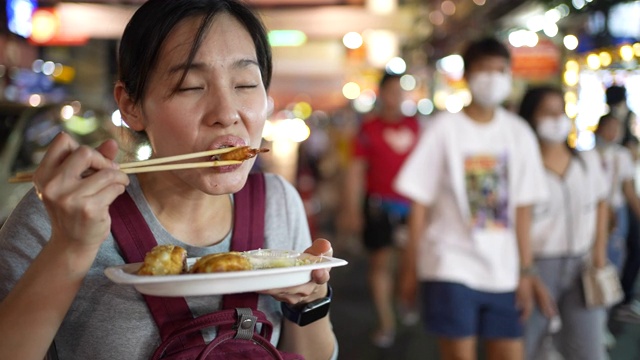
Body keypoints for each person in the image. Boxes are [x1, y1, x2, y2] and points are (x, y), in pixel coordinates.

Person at [0, 1, 338, 359]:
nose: (226, 114)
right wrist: (69, 247)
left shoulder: (278, 203)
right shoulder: (58, 216)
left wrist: (312, 299)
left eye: (245, 83)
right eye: (190, 87)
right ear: (131, 106)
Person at [393, 37, 548, 360]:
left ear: (509, 75)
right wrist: (410, 267)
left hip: (503, 271)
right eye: (484, 70)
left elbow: (522, 210)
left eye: (500, 70)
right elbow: (419, 205)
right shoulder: (444, 129)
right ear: (467, 76)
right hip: (450, 265)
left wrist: (527, 272)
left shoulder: (519, 133)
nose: (492, 78)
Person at [518, 86, 609, 360]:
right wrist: (526, 271)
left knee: (589, 347)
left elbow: (601, 202)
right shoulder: (524, 166)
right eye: (547, 112)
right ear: (531, 117)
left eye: (560, 112)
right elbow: (517, 218)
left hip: (582, 265)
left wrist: (599, 254)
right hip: (538, 266)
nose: (556, 119)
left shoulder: (586, 161)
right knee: (528, 346)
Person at [341, 72, 421, 347]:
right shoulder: (368, 129)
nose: (396, 98)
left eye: (400, 92)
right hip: (379, 208)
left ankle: (404, 300)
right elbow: (355, 170)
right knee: (380, 264)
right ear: (381, 94)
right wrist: (351, 210)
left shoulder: (417, 127)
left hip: (413, 211)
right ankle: (386, 322)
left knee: (409, 263)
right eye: (391, 92)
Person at [606, 85, 640, 323]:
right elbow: (627, 188)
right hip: (615, 208)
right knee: (616, 256)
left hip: (618, 207)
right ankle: (618, 301)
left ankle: (618, 300)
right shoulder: (617, 151)